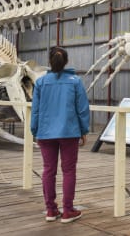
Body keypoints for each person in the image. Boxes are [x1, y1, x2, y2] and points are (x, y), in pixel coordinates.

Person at [31, 47, 90, 223]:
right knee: (69, 170)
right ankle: (68, 211)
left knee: (48, 170)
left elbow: (35, 111)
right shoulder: (75, 81)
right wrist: (84, 130)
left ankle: (50, 210)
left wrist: (35, 130)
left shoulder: (41, 83)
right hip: (69, 132)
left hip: (45, 133)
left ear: (49, 61)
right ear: (66, 61)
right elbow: (82, 109)